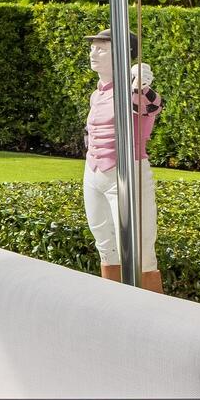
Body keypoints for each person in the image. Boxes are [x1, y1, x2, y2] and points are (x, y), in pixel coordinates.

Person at [84, 29, 162, 292]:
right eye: (93, 47)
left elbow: (152, 106)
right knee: (105, 246)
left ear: (121, 55)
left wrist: (141, 86)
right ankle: (113, 304)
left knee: (139, 252)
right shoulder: (98, 93)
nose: (94, 53)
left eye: (102, 48)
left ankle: (154, 315)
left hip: (125, 174)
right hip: (94, 174)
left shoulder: (131, 91)